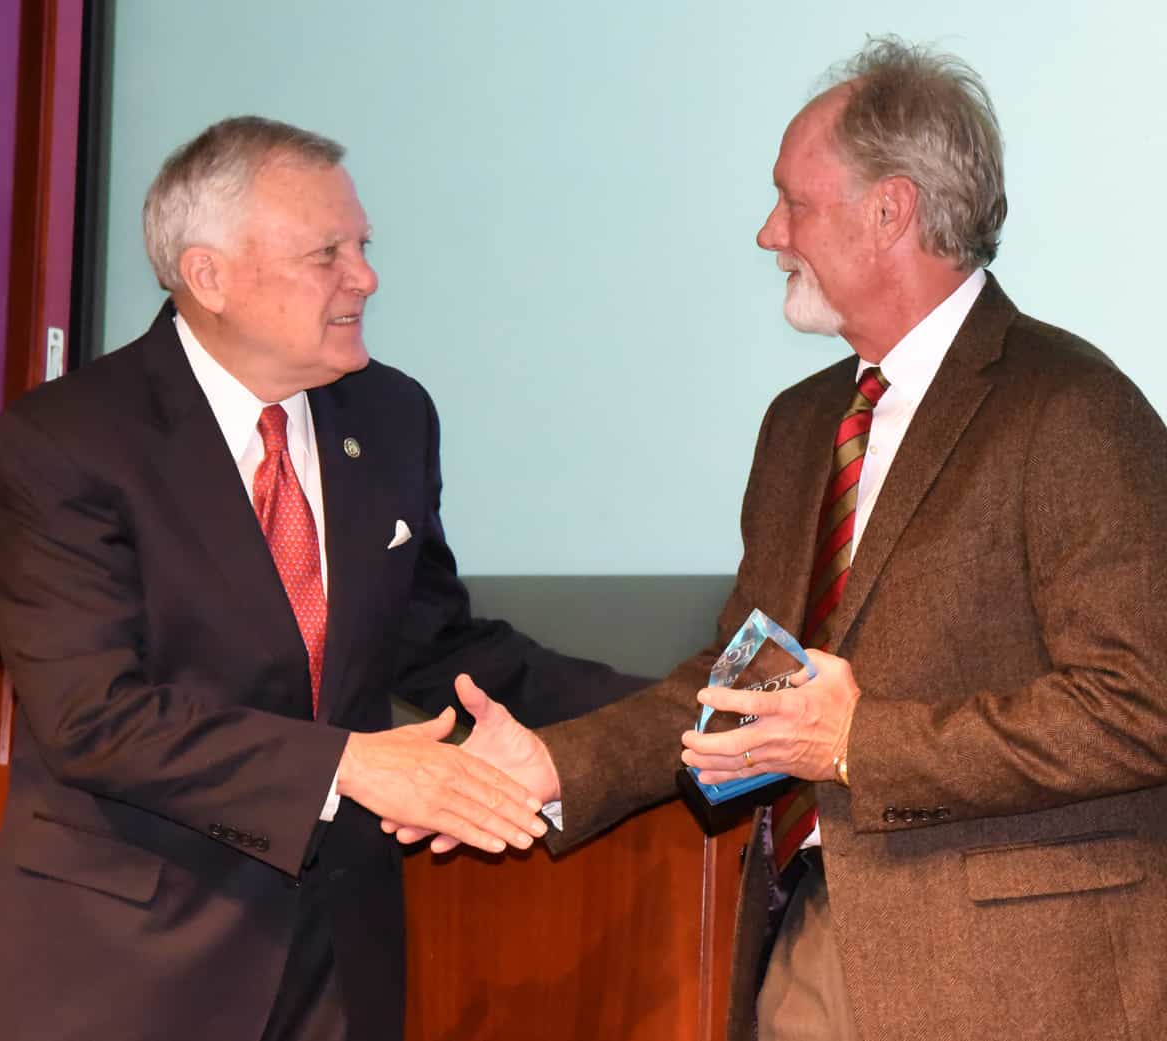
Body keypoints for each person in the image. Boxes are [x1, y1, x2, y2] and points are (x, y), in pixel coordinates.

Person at [419, 37, 1167, 1041]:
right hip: (813, 938)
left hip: (1025, 978)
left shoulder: (1071, 407)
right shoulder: (802, 423)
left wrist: (861, 741)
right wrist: (556, 766)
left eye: (794, 202)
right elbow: (745, 689)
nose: (768, 232)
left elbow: (1139, 704)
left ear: (890, 210)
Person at [0, 116, 643, 1041]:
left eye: (362, 246)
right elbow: (94, 717)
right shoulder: (73, 439)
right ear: (207, 275)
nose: (364, 276)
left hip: (338, 968)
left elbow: (436, 644)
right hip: (128, 969)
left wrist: (678, 707)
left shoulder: (391, 413)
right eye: (326, 251)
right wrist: (352, 764)